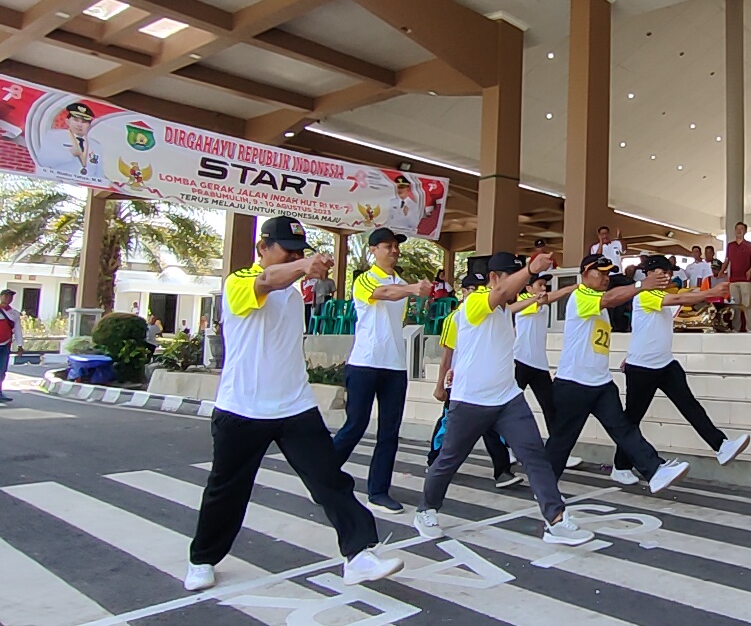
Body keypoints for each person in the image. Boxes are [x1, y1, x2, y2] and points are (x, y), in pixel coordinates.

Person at [185, 216, 402, 592]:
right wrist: (303, 266)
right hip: (243, 408)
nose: (295, 257)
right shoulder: (239, 282)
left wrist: (303, 269)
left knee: (330, 481)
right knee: (226, 491)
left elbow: (283, 280)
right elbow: (266, 281)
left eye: (300, 251)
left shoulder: (292, 289)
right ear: (263, 249)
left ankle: (358, 554)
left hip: (294, 406)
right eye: (287, 250)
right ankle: (203, 558)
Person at [414, 251, 593, 546]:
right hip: (471, 400)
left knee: (534, 455)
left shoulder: (503, 310)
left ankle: (556, 520)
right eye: (512, 276)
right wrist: (531, 268)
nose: (518, 284)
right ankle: (426, 510)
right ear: (495, 278)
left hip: (508, 399)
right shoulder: (473, 303)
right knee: (449, 459)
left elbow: (516, 302)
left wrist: (543, 291)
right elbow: (501, 293)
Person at [543, 254, 691, 492]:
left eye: (608, 274)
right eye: (599, 273)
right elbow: (611, 299)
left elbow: (610, 301)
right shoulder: (580, 296)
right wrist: (642, 285)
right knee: (562, 441)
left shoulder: (599, 298)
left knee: (624, 429)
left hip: (601, 383)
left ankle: (655, 471)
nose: (605, 278)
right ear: (584, 274)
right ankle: (545, 486)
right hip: (573, 384)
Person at [612, 255, 750, 483]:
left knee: (689, 405)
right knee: (633, 418)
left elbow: (652, 324)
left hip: (666, 364)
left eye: (669, 272)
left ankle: (721, 445)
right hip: (643, 369)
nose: (667, 276)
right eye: (663, 272)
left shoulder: (661, 295)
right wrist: (710, 293)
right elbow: (677, 300)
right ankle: (620, 466)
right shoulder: (645, 294)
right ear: (650, 273)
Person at [331, 228, 431, 514]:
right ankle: (322, 473)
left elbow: (395, 292)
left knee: (389, 432)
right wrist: (413, 289)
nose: (394, 250)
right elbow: (382, 294)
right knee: (355, 426)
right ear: (373, 250)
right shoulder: (364, 279)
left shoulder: (400, 281)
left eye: (396, 246)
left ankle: (378, 492)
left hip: (394, 366)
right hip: (364, 363)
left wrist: (410, 288)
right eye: (387, 246)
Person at [426, 275, 517, 486]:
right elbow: (447, 355)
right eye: (471, 289)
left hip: (484, 384)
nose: (476, 293)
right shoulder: (455, 318)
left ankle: (502, 470)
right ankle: (435, 459)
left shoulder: (492, 313)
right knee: (449, 425)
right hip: (459, 384)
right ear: (464, 291)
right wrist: (440, 385)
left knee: (493, 427)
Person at [510, 272, 583, 470]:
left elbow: (546, 299)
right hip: (520, 362)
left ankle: (559, 452)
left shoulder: (539, 301)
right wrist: (572, 288)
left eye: (545, 285)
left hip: (539, 365)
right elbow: (547, 299)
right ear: (528, 288)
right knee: (509, 407)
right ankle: (506, 448)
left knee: (552, 409)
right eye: (540, 285)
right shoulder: (524, 300)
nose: (544, 289)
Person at [721, 222, 751, 332]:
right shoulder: (730, 245)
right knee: (734, 305)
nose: (738, 231)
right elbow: (727, 260)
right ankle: (736, 328)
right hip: (733, 280)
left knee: (747, 305)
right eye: (737, 229)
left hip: (746, 280)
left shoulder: (750, 245)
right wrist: (721, 271)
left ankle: (750, 328)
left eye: (741, 229)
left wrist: (750, 270)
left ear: (745, 231)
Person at [0, 289, 22, 402]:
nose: (8, 298)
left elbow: (17, 330)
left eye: (10, 296)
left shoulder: (14, 313)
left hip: (5, 345)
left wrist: (20, 345)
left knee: (2, 370)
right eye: (6, 296)